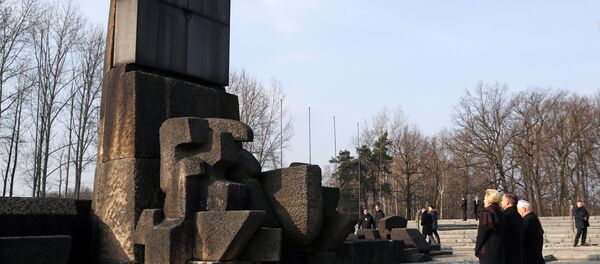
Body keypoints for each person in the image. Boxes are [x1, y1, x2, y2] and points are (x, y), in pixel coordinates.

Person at [475, 189, 506, 264]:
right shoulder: (501, 212)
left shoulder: (486, 213)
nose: (484, 201)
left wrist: (477, 249)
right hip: (500, 249)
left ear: (489, 200)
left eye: (485, 199)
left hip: (488, 250)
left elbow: (482, 234)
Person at [517, 200, 545, 264]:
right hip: (536, 255)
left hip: (529, 256)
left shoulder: (527, 220)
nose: (517, 211)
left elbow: (523, 239)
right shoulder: (533, 218)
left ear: (523, 209)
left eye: (518, 209)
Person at [501, 193, 523, 264]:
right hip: (517, 252)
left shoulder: (506, 216)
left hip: (508, 252)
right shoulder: (518, 215)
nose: (501, 202)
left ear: (507, 202)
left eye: (502, 200)